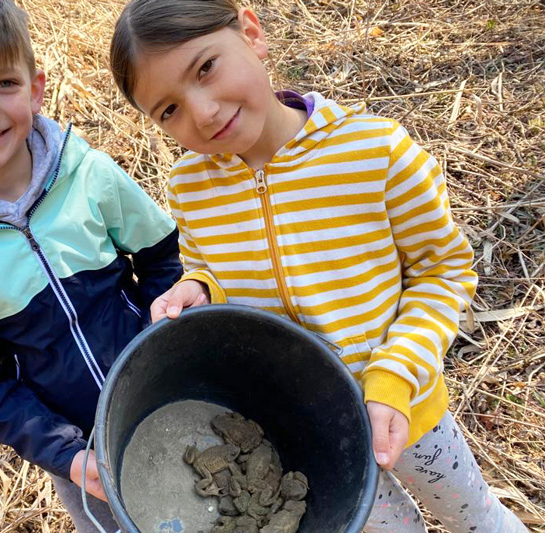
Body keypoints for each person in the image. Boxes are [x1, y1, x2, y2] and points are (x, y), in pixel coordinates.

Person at [109, 1, 529, 531]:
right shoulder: (190, 188)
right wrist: (199, 288)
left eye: (205, 68)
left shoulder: (373, 153)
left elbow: (443, 272)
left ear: (251, 32)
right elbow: (206, 264)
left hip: (410, 412)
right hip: (312, 436)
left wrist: (395, 375)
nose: (204, 112)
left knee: (475, 517)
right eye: (168, 110)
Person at [0, 0, 182, 530]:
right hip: (82, 452)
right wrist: (68, 456)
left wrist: (168, 340)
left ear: (36, 87)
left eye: (3, 82)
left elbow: (164, 255)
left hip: (175, 395)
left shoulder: (90, 176)